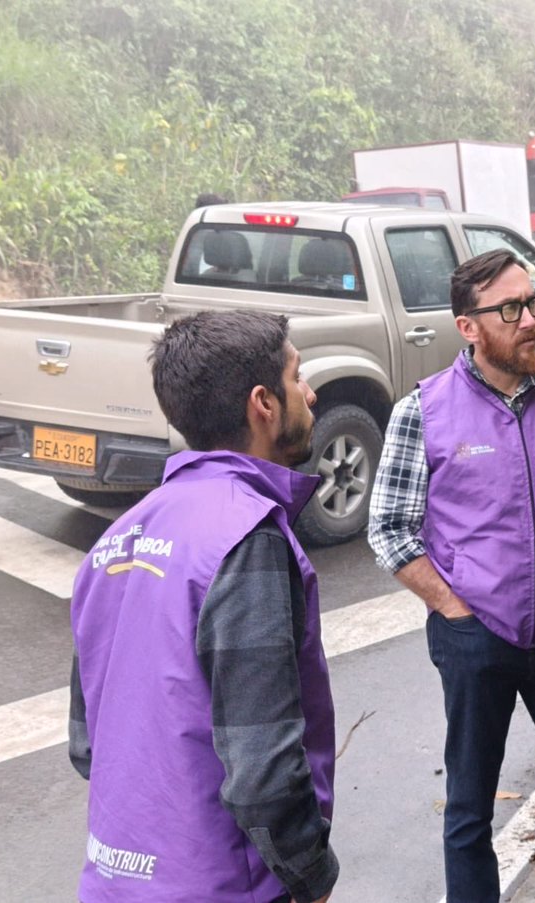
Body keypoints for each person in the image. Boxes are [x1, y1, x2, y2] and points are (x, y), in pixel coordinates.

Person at [369, 248, 535, 903]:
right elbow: (389, 528)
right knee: (469, 809)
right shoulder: (424, 411)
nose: (527, 319)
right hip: (476, 637)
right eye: (509, 308)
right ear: (469, 326)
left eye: (531, 302)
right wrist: (454, 609)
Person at [68, 310, 339, 903]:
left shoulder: (119, 538)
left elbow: (88, 743)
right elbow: (263, 765)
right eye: (298, 377)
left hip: (112, 881)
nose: (310, 393)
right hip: (223, 884)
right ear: (263, 404)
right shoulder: (246, 535)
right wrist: (311, 877)